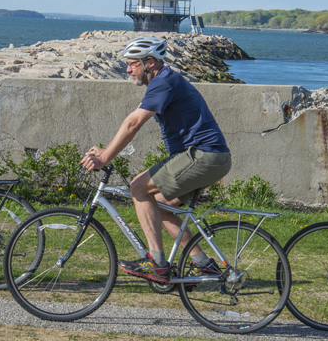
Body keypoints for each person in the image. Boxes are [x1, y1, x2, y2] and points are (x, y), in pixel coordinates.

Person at [79, 36, 232, 283]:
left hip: (204, 155)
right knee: (159, 206)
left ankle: (157, 263)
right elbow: (134, 118)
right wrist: (106, 149)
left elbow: (133, 123)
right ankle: (204, 265)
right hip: (209, 156)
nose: (127, 69)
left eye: (132, 64)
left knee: (138, 187)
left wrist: (105, 157)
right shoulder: (164, 81)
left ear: (149, 62)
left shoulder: (163, 82)